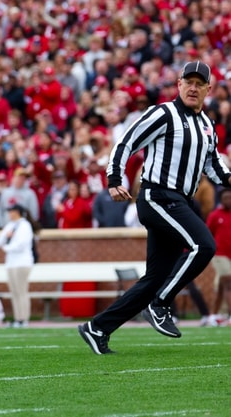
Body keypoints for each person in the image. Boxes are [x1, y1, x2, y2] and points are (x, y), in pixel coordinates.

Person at [78, 61, 231, 355]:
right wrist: (113, 178)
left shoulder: (208, 126)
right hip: (158, 197)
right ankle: (160, 304)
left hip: (180, 202)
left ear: (208, 90)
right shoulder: (164, 113)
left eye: (200, 84)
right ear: (179, 84)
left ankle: (98, 328)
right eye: (189, 81)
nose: (193, 87)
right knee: (204, 246)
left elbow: (214, 167)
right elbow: (126, 141)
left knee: (153, 279)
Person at [0, 204, 36, 328]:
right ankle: (17, 318)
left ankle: (24, 318)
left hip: (22, 262)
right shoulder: (10, 225)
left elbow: (21, 244)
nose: (9, 214)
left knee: (22, 291)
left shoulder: (25, 225)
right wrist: (6, 238)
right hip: (11, 262)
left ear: (17, 212)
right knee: (14, 291)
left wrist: (7, 247)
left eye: (11, 211)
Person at [207, 188, 231, 326]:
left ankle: (213, 315)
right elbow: (207, 233)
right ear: (221, 200)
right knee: (229, 281)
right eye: (225, 197)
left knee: (221, 286)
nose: (228, 200)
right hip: (219, 254)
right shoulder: (215, 215)